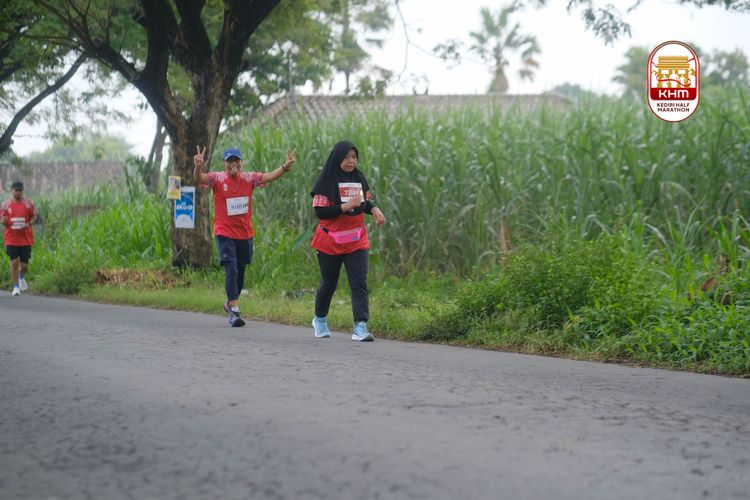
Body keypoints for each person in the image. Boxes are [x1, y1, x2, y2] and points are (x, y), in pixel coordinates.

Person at [194, 145, 296, 327]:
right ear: (224, 163)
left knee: (240, 274)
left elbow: (269, 176)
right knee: (231, 269)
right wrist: (198, 166)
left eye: (236, 160)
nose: (233, 164)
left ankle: (230, 301)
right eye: (229, 161)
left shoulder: (249, 178)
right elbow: (200, 178)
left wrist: (284, 167)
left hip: (245, 234)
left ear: (241, 163)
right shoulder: (217, 179)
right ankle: (234, 311)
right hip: (224, 233)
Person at [310, 140, 386, 341]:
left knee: (359, 282)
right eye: (347, 157)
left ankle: (360, 326)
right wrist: (345, 207)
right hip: (330, 241)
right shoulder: (326, 180)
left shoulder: (358, 178)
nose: (351, 161)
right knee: (329, 284)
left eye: (354, 157)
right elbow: (320, 212)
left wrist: (374, 209)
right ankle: (319, 318)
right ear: (337, 158)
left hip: (356, 240)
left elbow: (363, 203)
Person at [1, 181, 37, 296]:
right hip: (11, 239)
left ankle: (21, 277)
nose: (18, 192)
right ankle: (16, 287)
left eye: (20, 190)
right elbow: (2, 219)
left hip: (25, 239)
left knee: (24, 266)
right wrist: (3, 221)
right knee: (14, 263)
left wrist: (28, 223)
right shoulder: (5, 205)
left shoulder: (28, 204)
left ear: (23, 191)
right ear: (11, 191)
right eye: (16, 190)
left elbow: (34, 216)